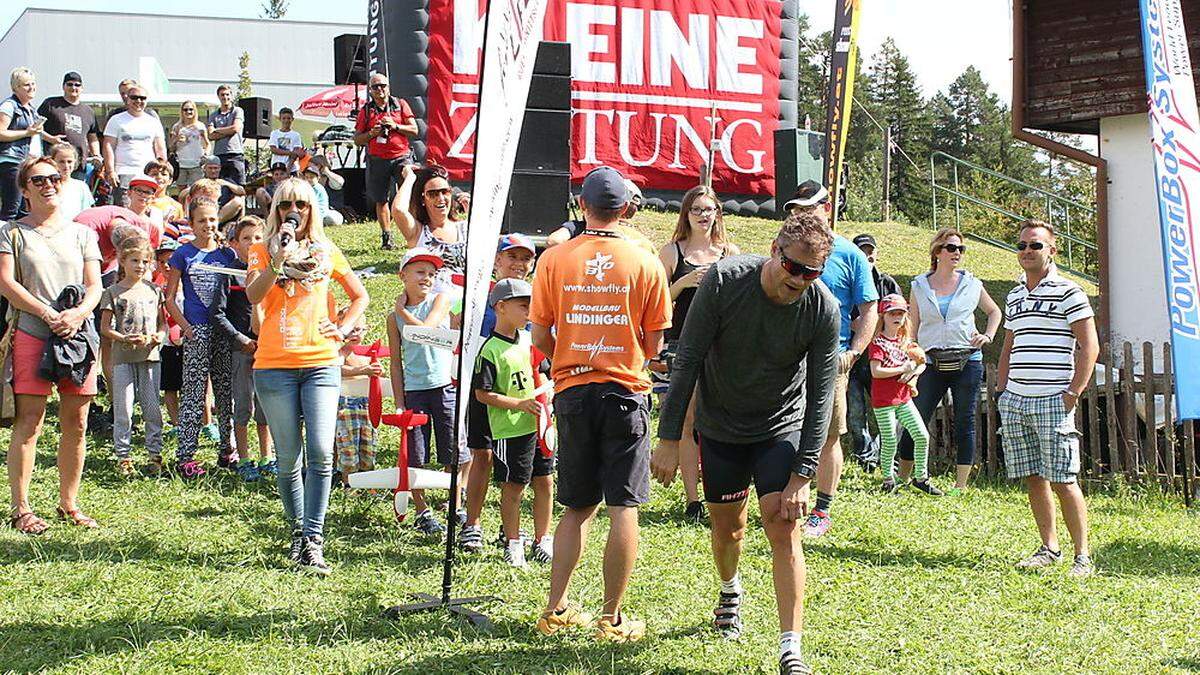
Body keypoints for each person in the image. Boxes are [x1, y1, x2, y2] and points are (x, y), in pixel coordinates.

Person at [651, 210, 837, 675]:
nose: (800, 280)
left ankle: (791, 649)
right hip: (720, 426)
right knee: (728, 530)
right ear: (775, 250)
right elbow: (688, 358)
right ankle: (730, 590)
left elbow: (820, 396)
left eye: (812, 273)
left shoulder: (822, 309)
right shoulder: (724, 280)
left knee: (782, 526)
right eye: (794, 267)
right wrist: (670, 438)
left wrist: (803, 474)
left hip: (780, 425)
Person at [530, 166, 671, 642]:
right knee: (623, 506)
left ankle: (556, 610)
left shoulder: (554, 258)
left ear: (581, 206)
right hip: (626, 392)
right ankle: (612, 619)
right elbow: (654, 347)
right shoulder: (646, 261)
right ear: (626, 208)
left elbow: (539, 334)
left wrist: (570, 360)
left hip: (571, 391)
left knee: (575, 506)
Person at [245, 177, 370, 575]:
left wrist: (344, 327)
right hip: (274, 364)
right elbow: (252, 295)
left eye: (299, 205)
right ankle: (297, 534)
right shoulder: (262, 249)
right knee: (288, 459)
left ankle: (313, 538)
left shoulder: (326, 250)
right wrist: (278, 261)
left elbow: (360, 294)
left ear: (312, 209)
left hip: (320, 361)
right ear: (276, 211)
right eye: (284, 206)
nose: (291, 212)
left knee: (321, 451)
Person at [1, 156, 103, 534]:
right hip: (32, 332)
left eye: (55, 178)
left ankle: (69, 503)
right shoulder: (11, 232)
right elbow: (7, 284)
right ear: (25, 190)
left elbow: (96, 286)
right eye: (39, 180)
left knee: (77, 422)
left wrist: (76, 316)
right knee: (30, 422)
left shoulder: (82, 233)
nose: (49, 184)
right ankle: (21, 507)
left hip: (76, 337)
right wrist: (48, 314)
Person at [996, 219, 1099, 577]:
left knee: (1063, 480)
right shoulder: (1014, 294)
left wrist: (1073, 393)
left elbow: (1090, 346)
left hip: (1053, 400)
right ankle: (1049, 548)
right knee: (1034, 477)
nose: (1027, 251)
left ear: (1052, 250)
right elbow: (1008, 344)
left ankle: (1082, 556)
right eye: (1022, 245)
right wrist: (1003, 389)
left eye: (1035, 245)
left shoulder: (1070, 292)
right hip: (1017, 400)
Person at [789, 181, 879, 539]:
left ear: (826, 208)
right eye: (797, 210)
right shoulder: (784, 247)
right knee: (788, 431)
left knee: (829, 437)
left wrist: (854, 351)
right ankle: (790, 497)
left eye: (808, 208)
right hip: (787, 356)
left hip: (832, 360)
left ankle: (821, 510)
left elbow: (869, 307)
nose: (802, 215)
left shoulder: (850, 254)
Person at [654, 185, 740, 524]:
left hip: (720, 346)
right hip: (680, 345)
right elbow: (657, 303)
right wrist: (685, 282)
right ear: (686, 215)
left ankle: (720, 491)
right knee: (688, 421)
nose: (704, 216)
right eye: (697, 210)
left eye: (710, 209)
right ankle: (693, 501)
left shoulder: (729, 252)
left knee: (718, 422)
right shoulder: (672, 252)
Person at [899, 228, 1002, 492]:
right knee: (916, 417)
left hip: (967, 360)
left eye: (960, 249)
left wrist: (987, 335)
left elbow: (994, 312)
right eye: (951, 248)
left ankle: (960, 486)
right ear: (937, 252)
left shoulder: (972, 283)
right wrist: (910, 352)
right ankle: (902, 479)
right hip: (931, 361)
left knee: (965, 421)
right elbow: (913, 323)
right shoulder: (919, 285)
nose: (957, 253)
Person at [460, 233, 538, 553]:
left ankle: (513, 533)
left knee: (519, 471)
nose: (518, 264)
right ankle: (472, 524)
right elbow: (460, 329)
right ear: (497, 261)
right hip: (484, 386)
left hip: (520, 395)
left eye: (525, 258)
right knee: (483, 455)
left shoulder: (531, 299)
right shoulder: (480, 297)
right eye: (512, 257)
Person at [473, 278, 555, 568]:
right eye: (524, 306)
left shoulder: (529, 339)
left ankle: (542, 539)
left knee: (544, 481)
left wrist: (546, 398)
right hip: (510, 430)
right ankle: (512, 541)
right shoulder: (490, 350)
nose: (529, 312)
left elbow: (542, 371)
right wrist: (519, 404)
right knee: (514, 485)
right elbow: (483, 394)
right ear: (501, 307)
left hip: (538, 426)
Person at [386, 247, 467, 536]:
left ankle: (454, 502)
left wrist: (402, 311)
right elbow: (396, 363)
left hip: (444, 387)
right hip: (415, 392)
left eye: (432, 274)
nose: (427, 278)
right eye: (420, 272)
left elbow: (426, 332)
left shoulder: (440, 300)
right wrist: (399, 401)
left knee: (452, 451)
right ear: (403, 276)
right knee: (415, 454)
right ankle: (422, 510)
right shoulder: (393, 318)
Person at [165, 197, 238, 479]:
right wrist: (186, 327)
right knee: (194, 393)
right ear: (191, 223)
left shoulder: (226, 255)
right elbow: (169, 298)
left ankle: (227, 448)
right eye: (201, 220)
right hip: (197, 331)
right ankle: (186, 455)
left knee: (224, 391)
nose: (207, 225)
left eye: (212, 219)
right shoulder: (182, 254)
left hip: (223, 330)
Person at [210, 216, 275, 482]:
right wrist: (241, 339)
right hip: (241, 350)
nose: (252, 243)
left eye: (258, 238)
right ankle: (245, 459)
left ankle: (266, 457)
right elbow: (217, 313)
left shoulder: (270, 271)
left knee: (265, 409)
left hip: (267, 351)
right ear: (235, 243)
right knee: (243, 407)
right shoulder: (230, 273)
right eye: (246, 238)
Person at [98, 237, 166, 478]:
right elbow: (105, 328)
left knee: (151, 407)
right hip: (122, 357)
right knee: (124, 407)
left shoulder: (154, 291)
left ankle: (154, 454)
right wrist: (124, 339)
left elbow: (163, 325)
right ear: (122, 261)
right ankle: (123, 456)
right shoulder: (113, 292)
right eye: (135, 260)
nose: (140, 265)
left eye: (145, 261)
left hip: (149, 356)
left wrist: (156, 337)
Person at [867, 294, 942, 494]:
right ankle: (888, 481)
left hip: (903, 398)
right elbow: (876, 372)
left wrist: (913, 372)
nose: (897, 317)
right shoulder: (877, 342)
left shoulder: (905, 341)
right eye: (893, 313)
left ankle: (921, 478)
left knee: (921, 435)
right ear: (883, 315)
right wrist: (903, 368)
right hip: (883, 401)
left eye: (901, 313)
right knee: (890, 440)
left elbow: (921, 364)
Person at [845, 233, 900, 471]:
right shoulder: (847, 282)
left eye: (871, 251)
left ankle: (885, 454)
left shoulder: (887, 283)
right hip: (853, 359)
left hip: (883, 360)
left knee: (891, 413)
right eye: (862, 252)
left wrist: (872, 325)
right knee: (856, 416)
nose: (867, 256)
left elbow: (901, 315)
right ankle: (865, 458)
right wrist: (851, 325)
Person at [355, 73, 417, 250]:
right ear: (370, 90)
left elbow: (414, 129)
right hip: (378, 159)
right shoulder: (366, 111)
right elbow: (357, 139)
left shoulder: (400, 105)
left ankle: (414, 233)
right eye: (375, 87)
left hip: (401, 156)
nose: (380, 89)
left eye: (382, 85)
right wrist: (372, 134)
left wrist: (396, 126)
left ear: (388, 87)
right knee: (381, 199)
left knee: (409, 192)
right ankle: (387, 238)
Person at [392, 164, 465, 291]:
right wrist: (410, 178)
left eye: (445, 192)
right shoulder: (417, 232)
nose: (441, 198)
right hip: (432, 304)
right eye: (433, 194)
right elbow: (398, 209)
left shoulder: (465, 228)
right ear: (423, 199)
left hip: (466, 303)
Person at [0, 68, 60, 220]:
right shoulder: (9, 106)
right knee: (11, 208)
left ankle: (20, 240)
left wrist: (52, 139)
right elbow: (1, 133)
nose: (32, 87)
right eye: (26, 84)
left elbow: (35, 131)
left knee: (26, 208)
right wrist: (26, 133)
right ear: (16, 88)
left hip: (28, 164)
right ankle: (5, 241)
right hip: (12, 162)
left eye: (33, 83)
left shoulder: (31, 108)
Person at [335, 312, 380, 487]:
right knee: (347, 446)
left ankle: (367, 483)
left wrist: (376, 372)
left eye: (358, 329)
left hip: (367, 404)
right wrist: (362, 371)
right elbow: (336, 368)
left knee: (368, 444)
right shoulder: (340, 351)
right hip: (346, 405)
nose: (354, 334)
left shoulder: (368, 353)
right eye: (350, 330)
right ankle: (348, 483)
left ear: (366, 330)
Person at [102, 84, 166, 207]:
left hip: (148, 174)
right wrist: (110, 171)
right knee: (125, 209)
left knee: (147, 209)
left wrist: (161, 172)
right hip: (124, 173)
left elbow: (160, 148)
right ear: (127, 99)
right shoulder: (116, 120)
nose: (138, 101)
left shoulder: (153, 122)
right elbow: (108, 146)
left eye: (142, 98)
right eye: (134, 97)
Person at [37, 71, 101, 181]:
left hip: (79, 166)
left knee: (75, 196)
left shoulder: (88, 111)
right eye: (70, 84)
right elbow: (36, 128)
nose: (73, 87)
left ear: (82, 88)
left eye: (77, 85)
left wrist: (96, 155)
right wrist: (51, 139)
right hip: (54, 164)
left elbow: (93, 137)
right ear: (63, 86)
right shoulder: (50, 104)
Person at [154, 237, 183, 429]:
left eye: (170, 261)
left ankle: (205, 423)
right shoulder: (155, 289)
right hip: (166, 344)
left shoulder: (188, 287)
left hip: (187, 340)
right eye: (162, 261)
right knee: (170, 386)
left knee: (196, 386)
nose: (166, 265)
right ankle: (176, 424)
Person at [180, 157, 246, 226]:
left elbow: (242, 191)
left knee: (239, 200)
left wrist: (227, 184)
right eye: (210, 168)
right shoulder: (200, 182)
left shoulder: (226, 181)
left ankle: (215, 221)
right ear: (204, 169)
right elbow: (182, 194)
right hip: (203, 210)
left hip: (222, 212)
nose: (213, 171)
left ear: (220, 168)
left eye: (216, 168)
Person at [208, 85, 245, 186]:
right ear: (219, 97)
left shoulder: (237, 111)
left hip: (235, 154)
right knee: (220, 188)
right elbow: (210, 136)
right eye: (222, 95)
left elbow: (235, 128)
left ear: (231, 96)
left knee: (238, 188)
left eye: (227, 94)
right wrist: (228, 131)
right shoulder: (213, 115)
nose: (225, 97)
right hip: (219, 156)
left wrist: (217, 130)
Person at [168, 100, 209, 187]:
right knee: (182, 193)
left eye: (191, 109)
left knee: (196, 191)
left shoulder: (200, 126)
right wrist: (176, 139)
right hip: (181, 164)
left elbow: (207, 144)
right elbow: (171, 148)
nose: (188, 112)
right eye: (185, 110)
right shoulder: (176, 127)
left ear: (195, 111)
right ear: (182, 111)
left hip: (197, 164)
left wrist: (206, 155)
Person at [49, 142, 94, 220]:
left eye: (69, 162)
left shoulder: (81, 186)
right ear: (53, 161)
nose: (66, 166)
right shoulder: (48, 186)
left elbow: (86, 212)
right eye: (61, 162)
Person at [301, 162, 342, 227]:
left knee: (332, 219)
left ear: (318, 178)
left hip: (320, 214)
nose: (308, 179)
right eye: (306, 177)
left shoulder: (318, 188)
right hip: (308, 213)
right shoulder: (304, 188)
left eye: (311, 177)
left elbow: (317, 206)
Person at [144, 160, 185, 225]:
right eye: (154, 174)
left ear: (170, 180)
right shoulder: (140, 202)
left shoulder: (176, 206)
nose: (159, 177)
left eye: (164, 174)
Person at [268, 107, 304, 174]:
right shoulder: (274, 133)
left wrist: (288, 169)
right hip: (277, 168)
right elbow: (274, 150)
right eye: (284, 118)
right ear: (280, 119)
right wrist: (291, 152)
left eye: (288, 118)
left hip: (292, 169)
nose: (286, 120)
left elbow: (295, 153)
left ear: (292, 119)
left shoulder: (296, 135)